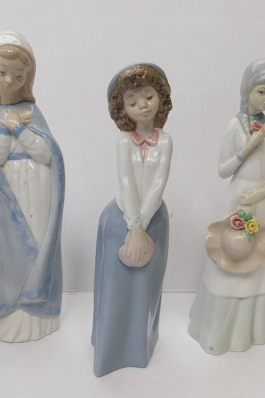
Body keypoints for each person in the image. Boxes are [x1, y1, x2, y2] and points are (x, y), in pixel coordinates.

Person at [189, 59, 265, 354]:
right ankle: (218, 329)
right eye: (262, 92)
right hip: (240, 200)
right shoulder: (235, 126)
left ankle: (252, 326)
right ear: (247, 89)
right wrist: (247, 147)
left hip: (264, 200)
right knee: (232, 257)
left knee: (261, 260)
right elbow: (223, 170)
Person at [0, 32, 65, 342]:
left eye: (18, 75)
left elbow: (46, 154)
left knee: (37, 242)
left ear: (28, 76)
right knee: (2, 249)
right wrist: (4, 127)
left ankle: (37, 317)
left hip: (37, 189)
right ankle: (5, 311)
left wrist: (19, 128)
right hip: (9, 192)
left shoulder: (33, 112)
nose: (10, 80)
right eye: (2, 72)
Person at [91, 63, 173, 376]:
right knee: (116, 287)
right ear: (122, 108)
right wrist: (133, 226)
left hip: (153, 221)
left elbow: (158, 184)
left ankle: (139, 345)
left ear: (160, 97)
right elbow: (126, 181)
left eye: (149, 96)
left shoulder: (165, 141)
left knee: (145, 289)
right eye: (133, 101)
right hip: (121, 219)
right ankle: (111, 346)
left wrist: (143, 225)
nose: (143, 105)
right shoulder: (124, 140)